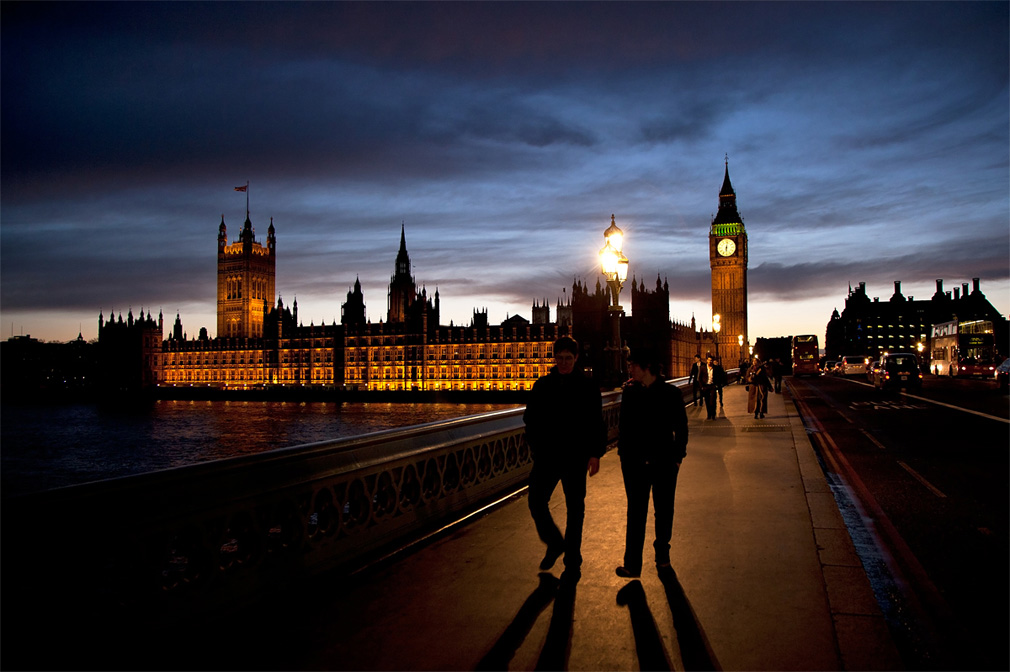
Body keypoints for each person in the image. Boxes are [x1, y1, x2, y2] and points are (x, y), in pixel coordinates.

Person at [523, 336, 606, 581]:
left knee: (575, 510)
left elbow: (596, 423)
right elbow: (530, 419)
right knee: (536, 502)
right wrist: (536, 445)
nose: (563, 363)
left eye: (568, 358)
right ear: (554, 358)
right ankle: (555, 541)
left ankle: (573, 560)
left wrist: (595, 454)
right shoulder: (542, 385)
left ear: (576, 358)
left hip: (575, 457)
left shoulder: (588, 387)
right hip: (547, 456)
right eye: (559, 358)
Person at [615, 347, 689, 578]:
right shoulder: (630, 393)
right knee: (635, 513)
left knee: (664, 511)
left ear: (647, 367)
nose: (629, 368)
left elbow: (682, 430)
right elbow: (624, 429)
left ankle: (662, 556)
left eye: (632, 364)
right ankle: (632, 564)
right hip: (635, 463)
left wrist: (677, 459)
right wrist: (624, 458)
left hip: (664, 462)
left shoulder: (671, 394)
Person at [699, 354, 719, 420]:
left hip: (712, 386)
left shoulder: (715, 368)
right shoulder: (703, 368)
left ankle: (713, 414)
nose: (710, 362)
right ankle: (709, 414)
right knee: (707, 401)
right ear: (707, 361)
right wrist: (701, 386)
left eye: (711, 360)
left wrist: (717, 385)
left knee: (713, 401)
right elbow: (699, 378)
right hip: (706, 386)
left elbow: (719, 377)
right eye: (709, 360)